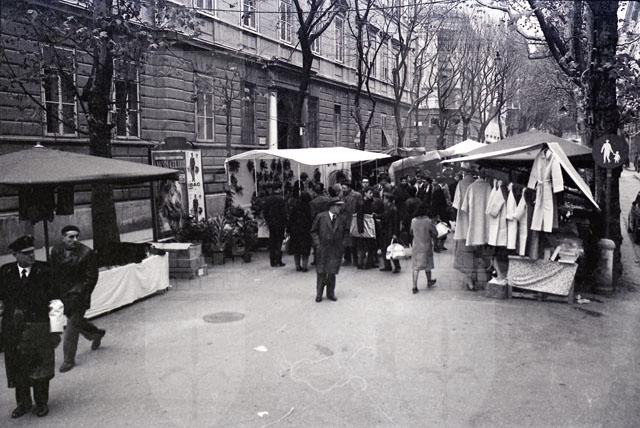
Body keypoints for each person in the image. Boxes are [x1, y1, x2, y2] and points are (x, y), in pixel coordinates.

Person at [1, 236, 60, 417]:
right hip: (14, 328)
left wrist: (56, 329)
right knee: (17, 365)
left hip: (39, 326)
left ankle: (41, 403)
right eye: (26, 253)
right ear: (15, 255)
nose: (32, 256)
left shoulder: (45, 270)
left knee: (40, 365)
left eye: (32, 252)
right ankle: (23, 403)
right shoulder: (5, 272)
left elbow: (56, 301)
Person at [51, 225, 105, 373]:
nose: (75, 240)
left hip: (79, 295)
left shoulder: (86, 252)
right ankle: (96, 334)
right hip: (62, 294)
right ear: (63, 237)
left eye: (77, 236)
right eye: (71, 237)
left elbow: (91, 277)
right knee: (76, 322)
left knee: (71, 327)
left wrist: (79, 292)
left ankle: (68, 360)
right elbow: (54, 273)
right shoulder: (56, 251)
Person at [310, 197, 349, 302]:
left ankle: (330, 293)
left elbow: (346, 232)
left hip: (336, 248)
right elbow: (313, 231)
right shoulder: (321, 217)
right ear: (332, 207)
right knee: (321, 271)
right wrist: (317, 244)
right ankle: (319, 294)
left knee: (332, 271)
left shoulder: (342, 218)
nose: (340, 208)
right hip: (323, 248)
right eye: (338, 206)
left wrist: (343, 244)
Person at [410, 204, 438, 294]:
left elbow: (411, 232)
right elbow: (435, 233)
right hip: (426, 246)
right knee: (428, 264)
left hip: (416, 246)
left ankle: (414, 286)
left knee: (415, 267)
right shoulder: (428, 221)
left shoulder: (413, 221)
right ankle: (429, 281)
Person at [263, 185, 288, 267]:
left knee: (272, 241)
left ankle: (272, 260)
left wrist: (268, 221)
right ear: (279, 189)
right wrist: (285, 222)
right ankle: (278, 260)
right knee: (279, 242)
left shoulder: (268, 199)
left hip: (271, 224)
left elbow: (265, 212)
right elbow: (284, 213)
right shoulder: (281, 199)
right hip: (280, 223)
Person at [288, 191, 313, 272]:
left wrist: (289, 229)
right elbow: (310, 219)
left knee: (296, 250)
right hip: (305, 231)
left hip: (295, 231)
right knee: (305, 250)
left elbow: (291, 219)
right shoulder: (308, 207)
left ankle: (297, 266)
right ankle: (305, 266)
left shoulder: (295, 206)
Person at [378, 193, 402, 273]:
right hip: (387, 231)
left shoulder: (392, 209)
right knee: (386, 248)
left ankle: (396, 265)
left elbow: (395, 222)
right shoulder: (389, 208)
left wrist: (395, 233)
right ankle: (388, 265)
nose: (383, 200)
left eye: (384, 198)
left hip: (390, 231)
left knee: (390, 249)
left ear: (388, 200)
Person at [341, 182, 362, 266]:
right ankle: (347, 258)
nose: (343, 190)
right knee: (345, 241)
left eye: (344, 188)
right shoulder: (341, 196)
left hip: (353, 220)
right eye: (342, 188)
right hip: (344, 221)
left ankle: (355, 259)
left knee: (354, 241)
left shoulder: (357, 195)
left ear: (349, 188)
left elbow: (360, 207)